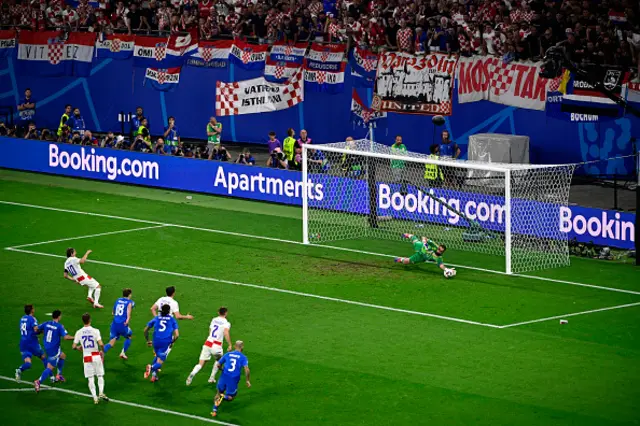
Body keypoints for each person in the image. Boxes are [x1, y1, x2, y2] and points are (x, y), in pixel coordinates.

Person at [186, 307, 232, 386]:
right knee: (219, 361)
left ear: (218, 312)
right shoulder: (226, 323)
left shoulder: (214, 319)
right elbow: (226, 332)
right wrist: (230, 344)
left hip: (208, 343)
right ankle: (211, 378)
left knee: (201, 364)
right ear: (226, 313)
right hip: (216, 345)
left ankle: (192, 373)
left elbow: (210, 330)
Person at [72, 313, 107, 404]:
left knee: (90, 378)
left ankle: (95, 398)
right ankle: (101, 392)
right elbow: (101, 344)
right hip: (95, 355)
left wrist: (79, 347)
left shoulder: (79, 332)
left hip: (87, 356)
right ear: (90, 320)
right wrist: (102, 351)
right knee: (99, 375)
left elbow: (73, 346)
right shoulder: (95, 331)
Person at [34, 310, 74, 391]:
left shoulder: (46, 323)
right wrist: (76, 337)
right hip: (53, 349)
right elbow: (66, 337)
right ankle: (38, 381)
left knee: (62, 356)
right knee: (50, 367)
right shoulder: (59, 326)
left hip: (47, 346)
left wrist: (41, 332)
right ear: (59, 316)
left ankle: (59, 375)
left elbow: (36, 328)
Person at [211, 340, 251, 418]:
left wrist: (222, 369)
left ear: (234, 346)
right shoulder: (243, 357)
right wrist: (247, 380)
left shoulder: (227, 354)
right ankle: (224, 396)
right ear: (242, 347)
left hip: (224, 375)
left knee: (218, 392)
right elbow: (246, 369)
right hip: (233, 378)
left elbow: (218, 364)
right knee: (231, 397)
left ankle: (214, 410)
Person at [143, 304, 179, 383]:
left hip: (156, 341)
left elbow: (145, 330)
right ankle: (151, 368)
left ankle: (154, 376)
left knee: (158, 356)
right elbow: (177, 335)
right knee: (160, 361)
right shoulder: (172, 320)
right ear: (169, 311)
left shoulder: (156, 318)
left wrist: (148, 340)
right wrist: (172, 342)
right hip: (165, 342)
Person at [16, 304, 46, 381]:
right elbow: (36, 329)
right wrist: (43, 331)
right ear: (32, 310)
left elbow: (28, 330)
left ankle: (19, 370)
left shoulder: (22, 318)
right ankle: (52, 377)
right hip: (32, 343)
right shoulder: (32, 319)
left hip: (23, 343)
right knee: (43, 357)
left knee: (28, 363)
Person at [103, 288, 135, 360]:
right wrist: (127, 321)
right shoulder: (129, 302)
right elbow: (128, 314)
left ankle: (101, 353)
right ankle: (123, 353)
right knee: (129, 336)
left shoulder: (118, 300)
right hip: (122, 325)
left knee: (111, 342)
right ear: (129, 295)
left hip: (114, 324)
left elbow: (113, 312)